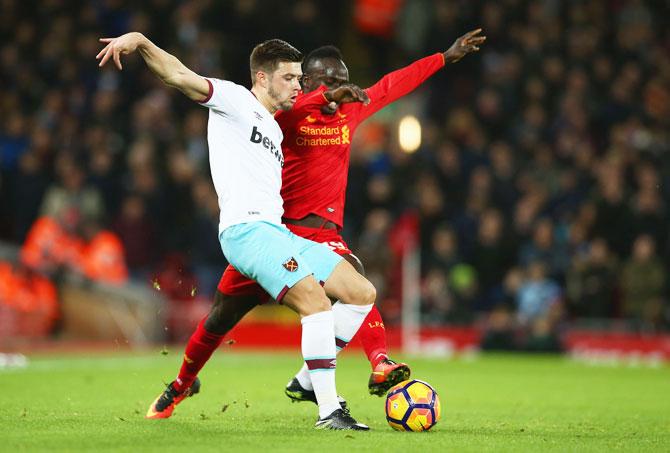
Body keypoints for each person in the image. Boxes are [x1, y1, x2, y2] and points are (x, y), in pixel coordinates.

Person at [163, 27, 487, 416]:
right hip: (276, 231)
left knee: (354, 276)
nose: (340, 88)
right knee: (220, 316)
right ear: (306, 83)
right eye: (327, 81)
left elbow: (392, 84)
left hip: (319, 233)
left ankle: (376, 362)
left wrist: (444, 57)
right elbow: (290, 105)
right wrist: (328, 96)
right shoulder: (285, 115)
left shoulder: (351, 110)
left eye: (344, 81)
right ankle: (181, 383)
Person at [97, 32, 375, 430]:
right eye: (291, 78)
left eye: (300, 78)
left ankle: (305, 379)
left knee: (361, 292)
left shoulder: (275, 128)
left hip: (275, 233)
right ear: (262, 78)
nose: (299, 85)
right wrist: (141, 42)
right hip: (246, 233)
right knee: (314, 301)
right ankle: (329, 411)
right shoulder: (233, 100)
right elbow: (176, 74)